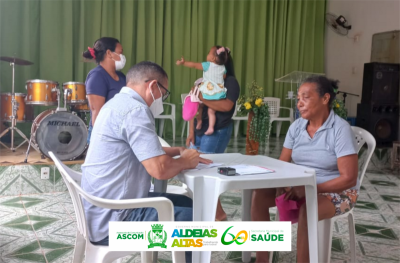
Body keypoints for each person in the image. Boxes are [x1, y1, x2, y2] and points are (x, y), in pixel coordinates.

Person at [81, 61, 211, 263]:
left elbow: (140, 148)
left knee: (190, 205)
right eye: (164, 93)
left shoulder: (115, 104)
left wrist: (177, 151)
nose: (161, 99)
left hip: (100, 215)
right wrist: (185, 161)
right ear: (152, 86)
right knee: (199, 223)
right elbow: (160, 170)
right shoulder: (135, 110)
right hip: (116, 228)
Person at [251, 76, 359, 263]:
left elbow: (349, 178)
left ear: (325, 99)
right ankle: (262, 260)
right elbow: (283, 162)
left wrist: (311, 189)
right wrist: (281, 183)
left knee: (307, 210)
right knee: (259, 195)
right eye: (298, 98)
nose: (299, 103)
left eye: (305, 97)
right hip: (300, 186)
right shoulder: (297, 127)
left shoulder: (340, 130)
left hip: (339, 192)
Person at [185, 48, 239, 221]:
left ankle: (218, 214)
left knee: (205, 172)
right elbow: (192, 105)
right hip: (199, 130)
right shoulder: (203, 79)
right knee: (192, 171)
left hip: (217, 131)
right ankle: (210, 212)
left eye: (210, 53)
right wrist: (191, 131)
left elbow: (226, 106)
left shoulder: (230, 82)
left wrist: (203, 98)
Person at [176, 46, 230, 135]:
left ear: (213, 58)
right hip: (218, 93)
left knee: (199, 105)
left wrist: (184, 63)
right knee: (211, 111)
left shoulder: (207, 65)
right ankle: (211, 127)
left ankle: (199, 120)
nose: (207, 54)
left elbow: (194, 65)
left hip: (207, 91)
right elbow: (224, 77)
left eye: (209, 53)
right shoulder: (223, 68)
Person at [82, 37, 127, 144]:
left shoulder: (121, 76)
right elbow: (96, 114)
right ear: (109, 53)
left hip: (119, 132)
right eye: (120, 53)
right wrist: (102, 141)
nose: (123, 57)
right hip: (103, 135)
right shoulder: (97, 76)